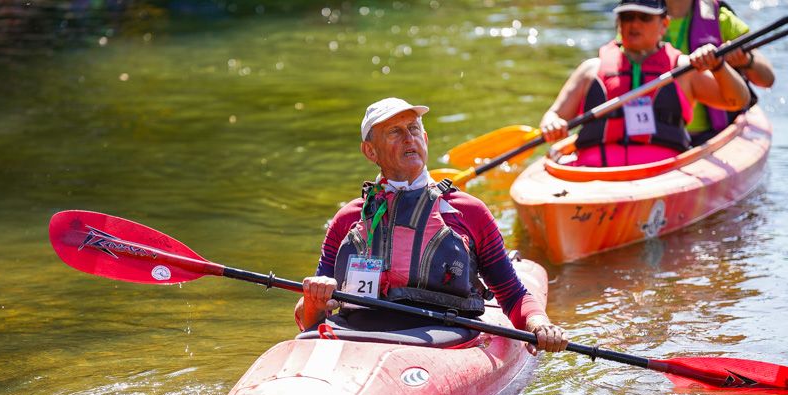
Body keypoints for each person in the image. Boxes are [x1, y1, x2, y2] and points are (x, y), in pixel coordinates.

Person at [295, 97, 568, 355]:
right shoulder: (349, 218)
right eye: (394, 132)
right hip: (356, 333)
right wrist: (313, 301)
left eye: (413, 129)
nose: (408, 138)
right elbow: (311, 315)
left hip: (442, 337)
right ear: (370, 151)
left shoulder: (468, 211)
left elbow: (511, 294)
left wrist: (538, 323)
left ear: (425, 139)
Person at [538, 0, 751, 167]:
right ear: (618, 23)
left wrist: (718, 66)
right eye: (627, 17)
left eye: (644, 17)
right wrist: (551, 123)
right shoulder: (591, 70)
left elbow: (737, 101)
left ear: (664, 24)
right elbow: (553, 114)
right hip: (594, 175)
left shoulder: (682, 68)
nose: (634, 24)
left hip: (660, 174)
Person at [664, 0, 775, 144]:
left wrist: (745, 60)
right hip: (655, 137)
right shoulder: (635, 19)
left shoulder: (720, 17)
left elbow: (767, 80)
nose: (635, 22)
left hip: (709, 137)